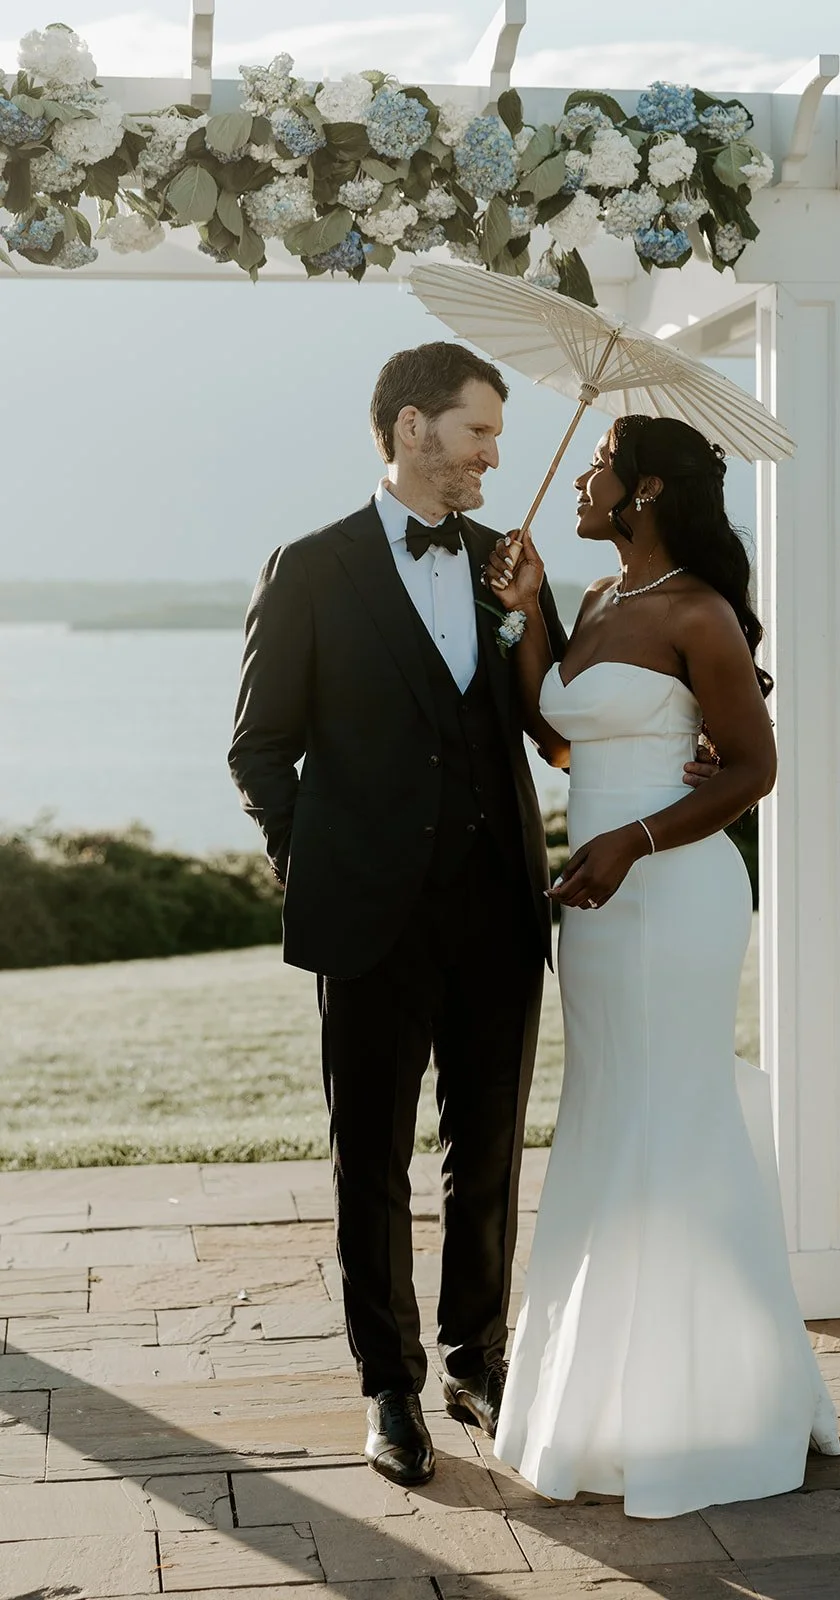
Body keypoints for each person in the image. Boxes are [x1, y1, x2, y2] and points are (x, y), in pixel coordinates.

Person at [228, 346, 715, 1489]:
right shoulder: (309, 567)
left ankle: (475, 1359)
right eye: (478, 431)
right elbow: (258, 748)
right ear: (412, 428)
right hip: (368, 917)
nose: (496, 453)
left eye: (498, 436)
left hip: (501, 904)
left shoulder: (511, 564)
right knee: (370, 1157)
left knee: (486, 1151)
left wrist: (679, 741)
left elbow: (558, 720)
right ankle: (388, 1386)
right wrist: (317, 864)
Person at [486, 414, 840, 1519]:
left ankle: (713, 1395)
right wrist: (529, 609)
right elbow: (562, 737)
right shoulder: (599, 600)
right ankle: (605, 1395)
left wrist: (631, 843)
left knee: (669, 1118)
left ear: (641, 491)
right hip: (595, 902)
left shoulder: (698, 612)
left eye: (595, 469)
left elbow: (751, 769)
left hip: (671, 889)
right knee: (606, 1117)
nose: (578, 483)